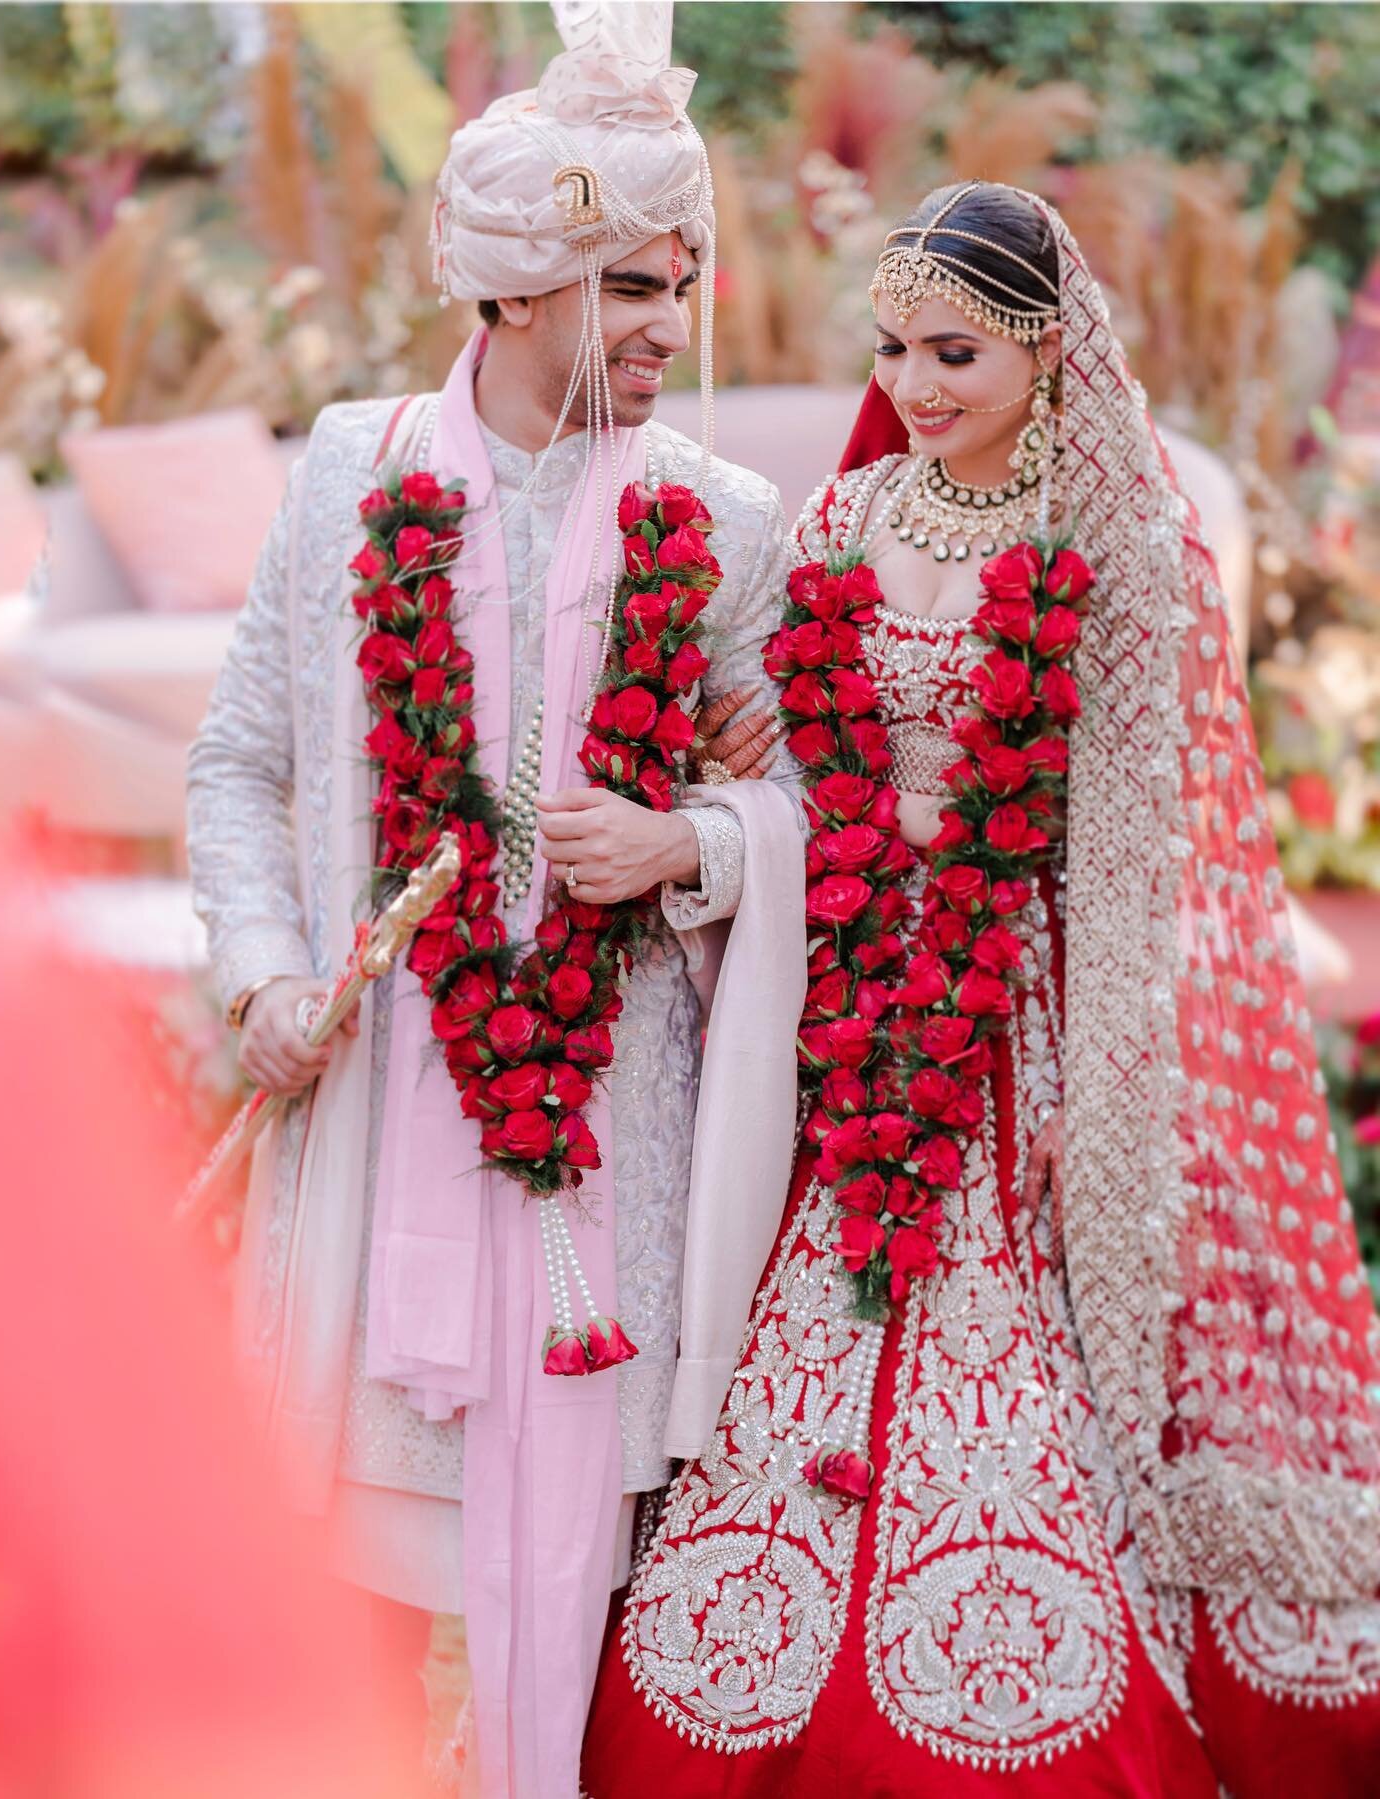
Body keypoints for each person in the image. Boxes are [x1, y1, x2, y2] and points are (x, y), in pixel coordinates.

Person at [581, 181, 1380, 1798]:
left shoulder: (1119, 544)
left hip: (1021, 1015)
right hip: (852, 1004)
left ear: (1046, 344)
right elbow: (799, 737)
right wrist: (749, 766)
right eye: (895, 350)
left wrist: (1101, 1079)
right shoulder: (853, 522)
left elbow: (1146, 847)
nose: (918, 384)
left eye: (954, 350)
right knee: (812, 1323)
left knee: (1014, 1326)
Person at [185, 7, 806, 1796]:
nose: (664, 331)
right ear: (516, 290)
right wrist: (260, 976)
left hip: (620, 1144)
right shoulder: (350, 473)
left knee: (602, 1613)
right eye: (625, 288)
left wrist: (686, 847)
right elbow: (240, 765)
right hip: (390, 1115)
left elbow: (804, 802)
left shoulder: (727, 515)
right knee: (355, 1614)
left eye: (676, 283)